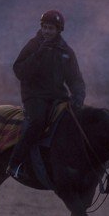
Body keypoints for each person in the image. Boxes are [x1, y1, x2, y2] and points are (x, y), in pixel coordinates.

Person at [7, 9, 85, 179]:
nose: (47, 31)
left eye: (51, 28)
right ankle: (15, 163)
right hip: (34, 95)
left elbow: (76, 80)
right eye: (45, 27)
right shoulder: (33, 45)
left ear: (59, 30)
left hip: (58, 97)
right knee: (37, 121)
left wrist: (78, 98)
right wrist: (39, 54)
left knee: (77, 122)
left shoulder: (66, 52)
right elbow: (19, 71)